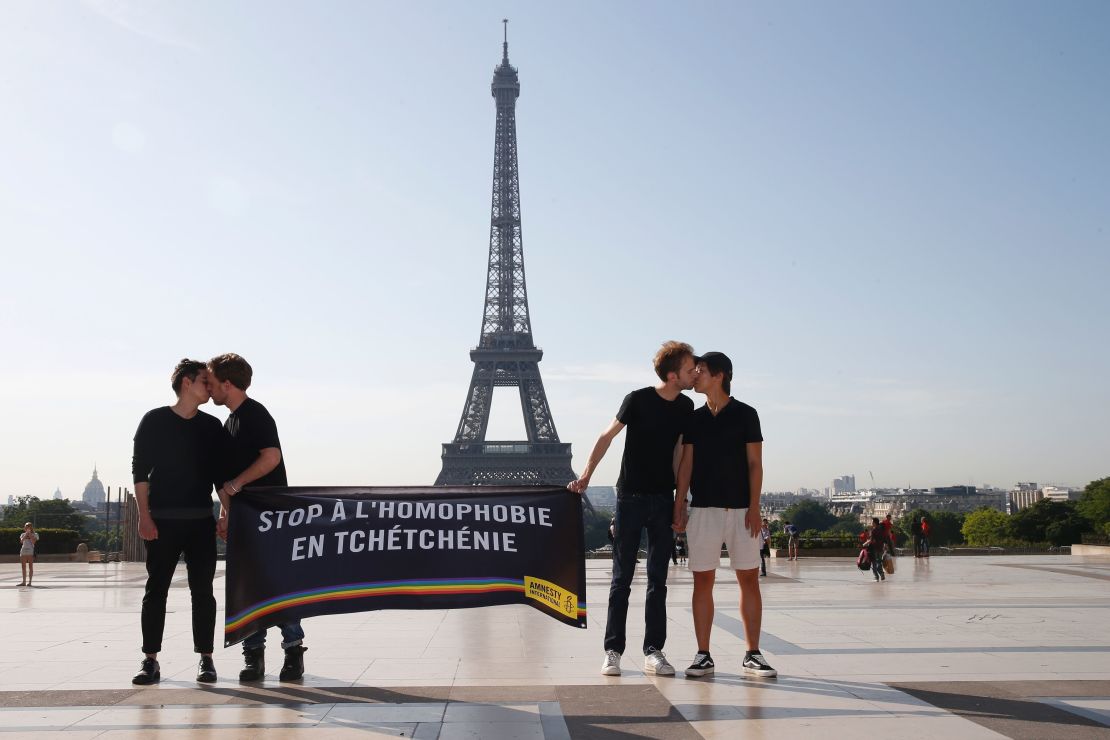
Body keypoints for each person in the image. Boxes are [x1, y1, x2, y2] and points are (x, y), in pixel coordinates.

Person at [568, 341, 696, 677]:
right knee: (621, 578)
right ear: (672, 375)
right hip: (629, 497)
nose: (694, 372)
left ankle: (653, 649)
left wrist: (680, 502)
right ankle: (613, 649)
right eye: (689, 368)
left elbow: (683, 457)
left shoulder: (686, 407)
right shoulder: (637, 399)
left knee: (658, 580)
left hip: (661, 499)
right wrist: (585, 475)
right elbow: (607, 436)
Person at [674, 352, 777, 679]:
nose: (694, 375)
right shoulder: (694, 418)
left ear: (718, 375)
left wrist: (755, 506)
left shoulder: (747, 414)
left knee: (748, 579)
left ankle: (752, 652)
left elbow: (755, 465)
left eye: (700, 370)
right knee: (702, 581)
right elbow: (686, 464)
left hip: (741, 510)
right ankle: (703, 654)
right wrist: (680, 503)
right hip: (703, 509)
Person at [207, 352, 306, 682]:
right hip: (248, 517)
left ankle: (292, 650)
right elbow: (226, 479)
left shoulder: (255, 414)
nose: (209, 389)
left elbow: (271, 457)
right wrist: (226, 513)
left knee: (276, 583)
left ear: (228, 383)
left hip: (270, 515)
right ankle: (255, 655)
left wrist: (236, 486)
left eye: (211, 381)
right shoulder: (230, 422)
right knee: (249, 586)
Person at [131, 359, 229, 685]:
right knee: (155, 591)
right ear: (187, 382)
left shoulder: (212, 426)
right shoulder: (154, 421)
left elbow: (220, 476)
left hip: (201, 521)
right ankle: (150, 660)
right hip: (161, 522)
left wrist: (227, 513)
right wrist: (144, 516)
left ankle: (206, 658)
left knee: (203, 592)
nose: (210, 387)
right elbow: (140, 472)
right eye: (205, 381)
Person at [862, 517, 891, 582]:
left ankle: (876, 577)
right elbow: (885, 539)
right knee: (879, 562)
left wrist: (864, 544)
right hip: (880, 548)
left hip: (874, 548)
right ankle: (881, 574)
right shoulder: (882, 530)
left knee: (874, 563)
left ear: (875, 523)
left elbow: (871, 540)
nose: (871, 523)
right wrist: (885, 546)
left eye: (872, 522)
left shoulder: (874, 530)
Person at [18, 522, 39, 586]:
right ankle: (24, 582)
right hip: (23, 551)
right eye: (25, 526)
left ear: (31, 527)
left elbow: (33, 542)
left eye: (28, 526)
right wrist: (26, 534)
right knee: (23, 567)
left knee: (30, 567)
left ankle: (29, 582)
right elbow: (21, 541)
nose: (26, 527)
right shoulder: (22, 534)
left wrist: (29, 534)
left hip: (30, 551)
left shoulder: (35, 534)